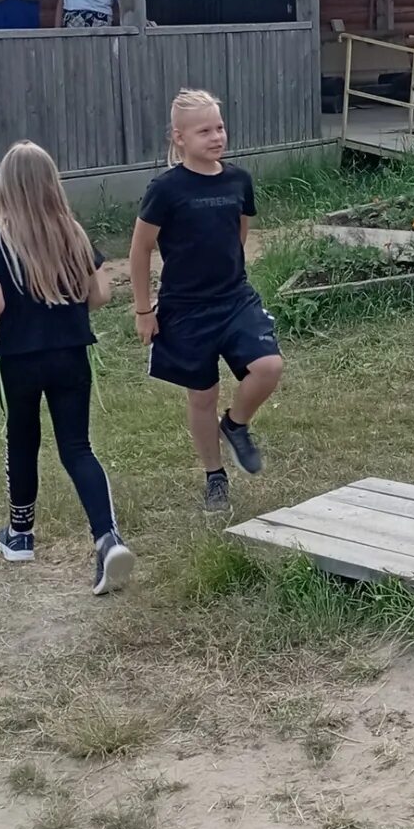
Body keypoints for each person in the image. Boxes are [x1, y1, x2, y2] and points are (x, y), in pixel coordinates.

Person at [0, 140, 135, 595]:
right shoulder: (72, 233)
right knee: (77, 447)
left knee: (22, 440)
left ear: (5, 186)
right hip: (70, 354)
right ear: (51, 185)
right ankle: (107, 538)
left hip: (19, 360)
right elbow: (100, 295)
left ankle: (20, 535)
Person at [128, 89, 283, 516]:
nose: (216, 137)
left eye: (219, 127)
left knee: (269, 366)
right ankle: (215, 476)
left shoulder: (239, 181)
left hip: (234, 298)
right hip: (185, 310)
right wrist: (144, 311)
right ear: (179, 138)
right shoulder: (166, 189)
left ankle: (235, 425)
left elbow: (239, 232)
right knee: (203, 395)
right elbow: (140, 250)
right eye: (204, 130)